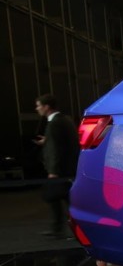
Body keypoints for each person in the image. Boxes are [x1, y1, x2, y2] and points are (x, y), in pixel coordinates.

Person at [34, 94, 79, 238]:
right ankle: (68, 228)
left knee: (55, 197)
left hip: (60, 170)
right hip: (69, 168)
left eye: (39, 106)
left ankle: (60, 229)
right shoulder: (65, 120)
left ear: (47, 107)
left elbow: (55, 149)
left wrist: (53, 170)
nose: (37, 109)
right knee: (67, 199)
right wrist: (47, 140)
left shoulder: (54, 124)